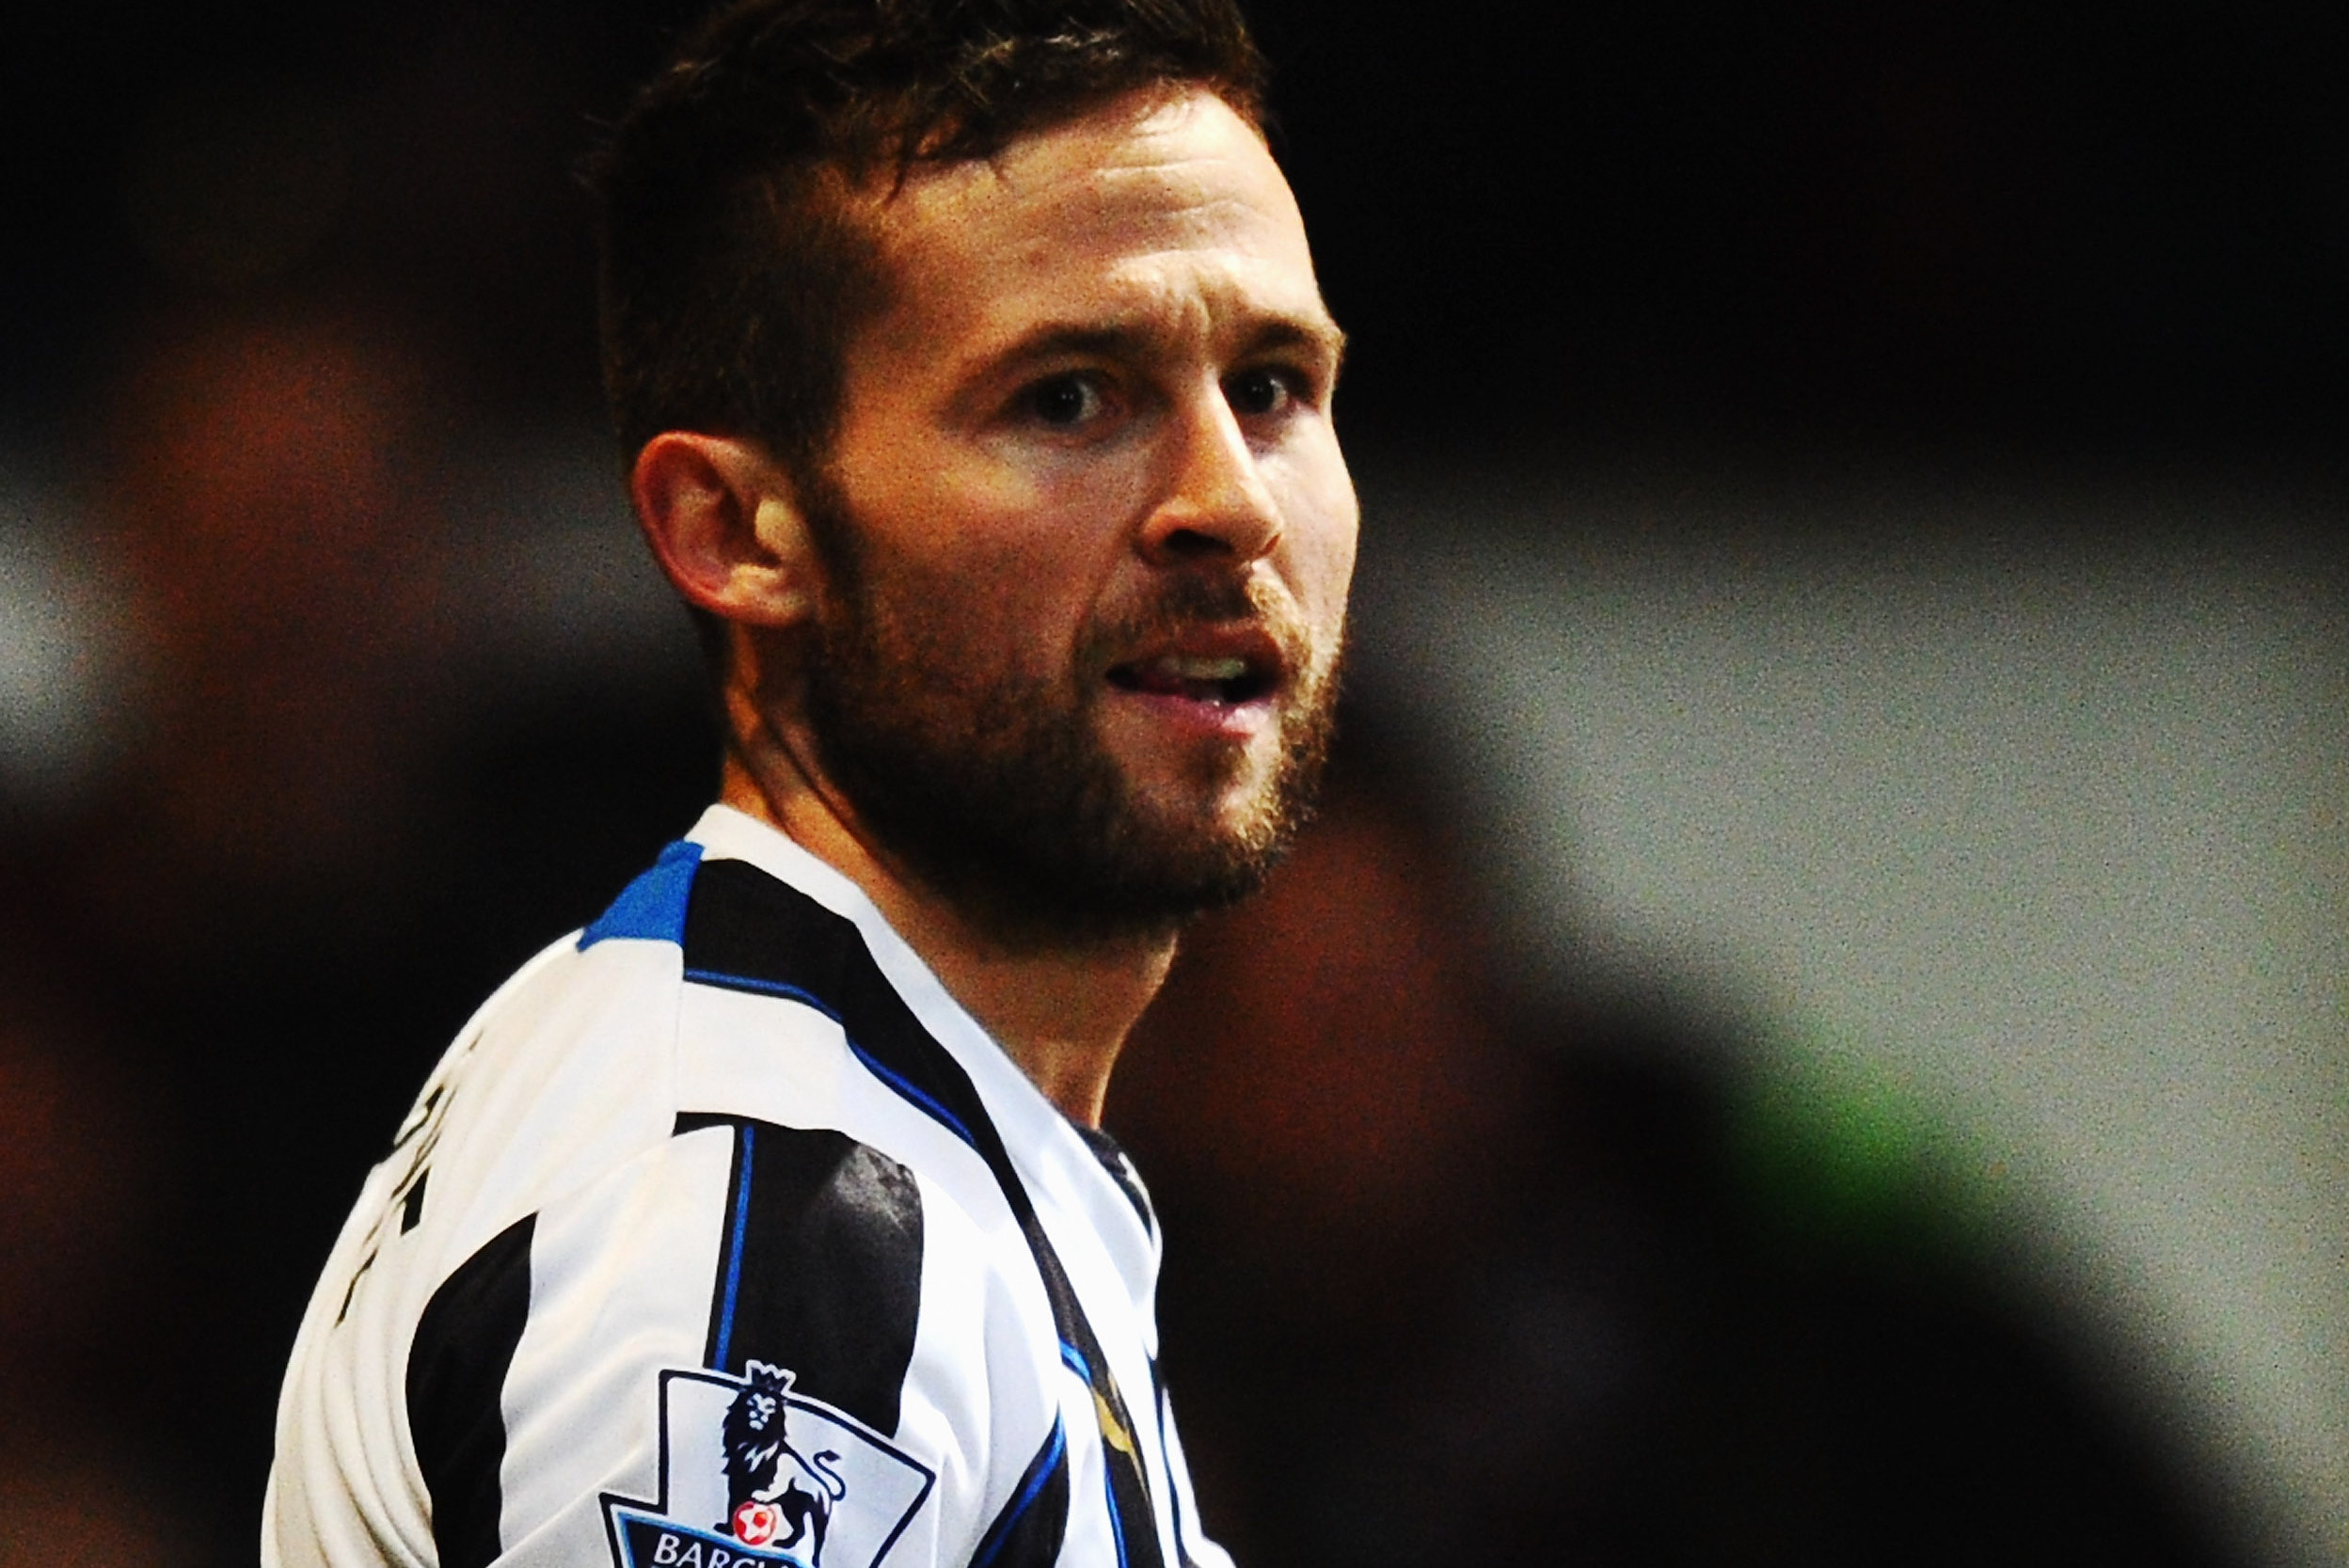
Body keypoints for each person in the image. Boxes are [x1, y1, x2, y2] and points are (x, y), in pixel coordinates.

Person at [261, 3, 1356, 1566]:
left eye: (1270, 386)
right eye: (1069, 397)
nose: (1227, 503)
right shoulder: (770, 1234)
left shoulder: (833, 1133)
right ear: (736, 530)